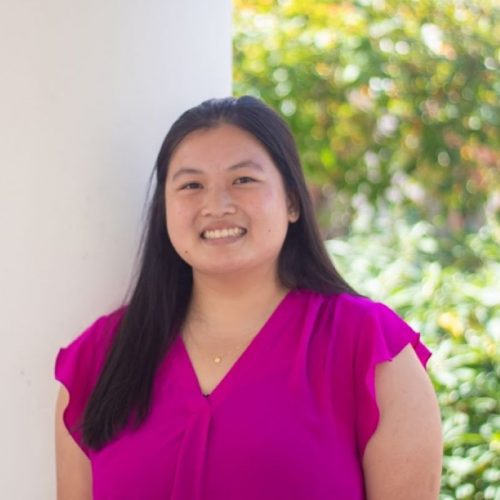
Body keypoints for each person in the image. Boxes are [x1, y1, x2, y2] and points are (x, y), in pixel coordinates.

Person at [54, 95, 442, 500]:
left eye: (243, 180)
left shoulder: (370, 349)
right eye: (191, 185)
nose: (216, 206)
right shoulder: (95, 361)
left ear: (292, 201)